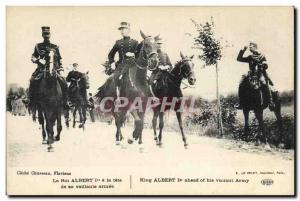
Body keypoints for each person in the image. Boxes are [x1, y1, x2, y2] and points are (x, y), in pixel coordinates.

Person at [28, 26, 68, 108]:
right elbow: (33, 57)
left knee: (64, 82)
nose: (46, 36)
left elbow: (59, 58)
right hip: (41, 69)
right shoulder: (38, 46)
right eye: (45, 34)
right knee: (32, 80)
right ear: (42, 35)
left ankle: (65, 102)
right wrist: (38, 60)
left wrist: (60, 68)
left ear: (50, 35)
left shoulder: (55, 46)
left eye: (48, 34)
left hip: (54, 69)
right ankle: (31, 101)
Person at [236, 42, 275, 110]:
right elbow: (239, 59)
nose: (250, 48)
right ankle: (241, 103)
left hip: (260, 73)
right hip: (251, 74)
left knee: (264, 83)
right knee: (241, 83)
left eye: (251, 46)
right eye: (249, 47)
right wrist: (243, 50)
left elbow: (266, 65)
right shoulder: (250, 57)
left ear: (255, 47)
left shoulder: (262, 55)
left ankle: (270, 102)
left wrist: (264, 65)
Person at [107, 22, 139, 102]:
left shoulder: (135, 42)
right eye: (121, 29)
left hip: (132, 65)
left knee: (144, 77)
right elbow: (110, 55)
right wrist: (112, 63)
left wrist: (133, 54)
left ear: (128, 30)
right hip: (121, 65)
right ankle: (118, 98)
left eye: (124, 29)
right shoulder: (118, 42)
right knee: (116, 77)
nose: (122, 31)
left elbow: (139, 55)